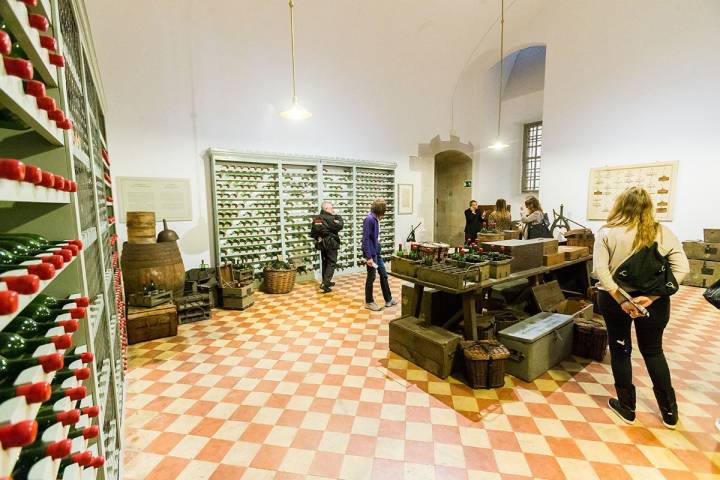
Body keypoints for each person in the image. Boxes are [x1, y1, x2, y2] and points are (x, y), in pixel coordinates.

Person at [592, 187, 689, 429]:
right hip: (653, 303)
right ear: (649, 207)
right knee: (654, 351)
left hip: (615, 301)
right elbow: (682, 269)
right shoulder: (663, 232)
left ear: (619, 205)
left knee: (620, 349)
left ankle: (627, 408)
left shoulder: (607, 232)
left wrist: (622, 299)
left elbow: (600, 271)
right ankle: (669, 414)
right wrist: (653, 296)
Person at [362, 199, 397, 311]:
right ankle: (369, 302)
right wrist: (369, 257)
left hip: (377, 251)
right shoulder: (369, 219)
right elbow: (365, 239)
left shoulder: (375, 219)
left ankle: (388, 299)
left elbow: (374, 237)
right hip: (371, 254)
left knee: (384, 274)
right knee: (371, 277)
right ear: (381, 210)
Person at [310, 201, 343, 293]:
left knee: (325, 262)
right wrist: (337, 216)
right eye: (332, 208)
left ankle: (326, 282)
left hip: (321, 243)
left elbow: (313, 232)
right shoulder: (331, 218)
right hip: (331, 243)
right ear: (327, 209)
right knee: (331, 262)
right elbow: (340, 225)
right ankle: (325, 283)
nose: (333, 209)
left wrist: (318, 237)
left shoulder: (317, 218)